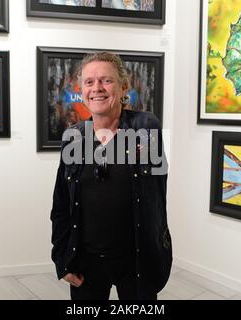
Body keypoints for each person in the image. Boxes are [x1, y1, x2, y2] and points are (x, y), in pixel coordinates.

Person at [50, 51, 172, 300]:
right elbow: (61, 205)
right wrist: (61, 257)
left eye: (107, 80)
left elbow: (155, 191)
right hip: (86, 261)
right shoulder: (74, 137)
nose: (97, 88)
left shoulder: (145, 127)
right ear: (81, 90)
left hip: (137, 260)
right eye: (89, 82)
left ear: (123, 86)